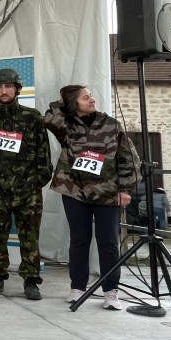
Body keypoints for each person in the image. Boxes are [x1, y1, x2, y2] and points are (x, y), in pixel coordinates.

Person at [44, 85, 139, 309]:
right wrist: (62, 101)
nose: (91, 99)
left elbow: (128, 157)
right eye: (85, 97)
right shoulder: (66, 126)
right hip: (75, 191)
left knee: (108, 242)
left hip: (107, 192)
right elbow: (48, 119)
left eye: (91, 96)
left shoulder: (111, 125)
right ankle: (77, 287)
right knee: (79, 240)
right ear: (73, 103)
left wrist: (126, 189)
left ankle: (110, 292)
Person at [0, 68, 52, 300]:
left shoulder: (33, 117)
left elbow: (44, 152)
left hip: (28, 190)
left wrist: (39, 179)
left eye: (8, 86)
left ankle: (31, 280)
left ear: (18, 89)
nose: (4, 91)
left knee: (29, 237)